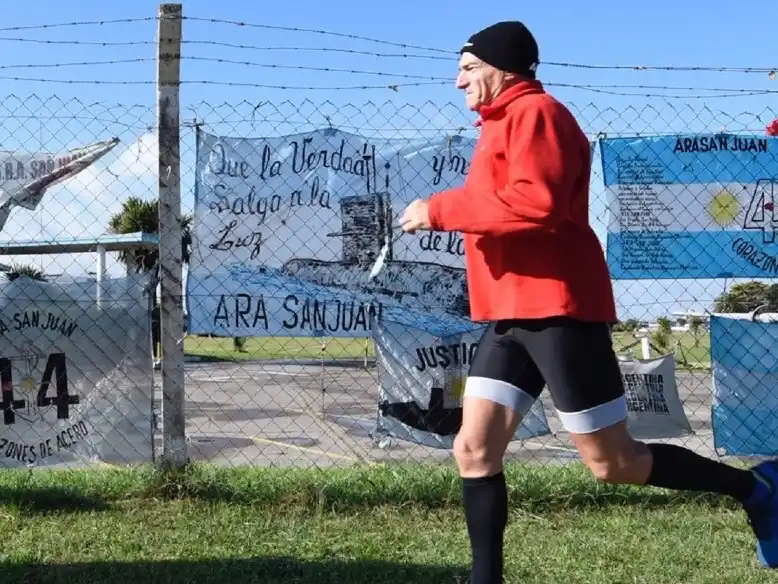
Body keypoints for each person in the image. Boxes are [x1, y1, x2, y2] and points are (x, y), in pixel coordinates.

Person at [399, 20, 778, 582]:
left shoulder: (537, 114)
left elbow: (538, 203)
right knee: (473, 449)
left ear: (505, 70)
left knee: (613, 464)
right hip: (509, 315)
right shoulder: (499, 123)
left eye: (469, 68)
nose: (459, 82)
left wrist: (439, 211)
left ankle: (758, 489)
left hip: (557, 314)